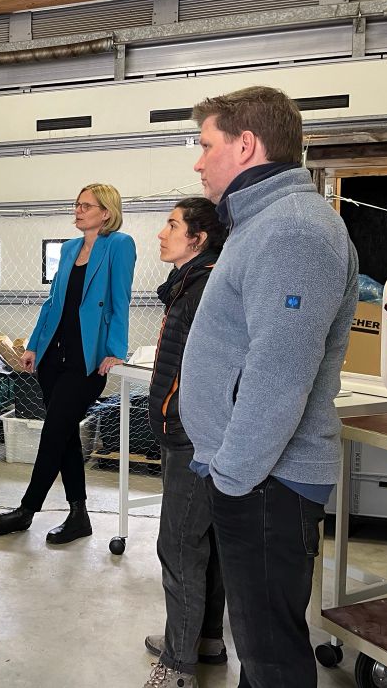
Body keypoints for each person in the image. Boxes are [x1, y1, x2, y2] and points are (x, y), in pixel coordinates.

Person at [180, 86, 359, 688]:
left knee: (273, 654)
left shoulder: (293, 232)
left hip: (265, 482)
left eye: (206, 146)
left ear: (247, 144)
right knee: (259, 648)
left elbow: (278, 376)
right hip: (255, 476)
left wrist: (233, 474)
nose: (198, 161)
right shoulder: (265, 224)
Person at [0, 183, 136, 543]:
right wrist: (35, 344)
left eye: (86, 206)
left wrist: (115, 351)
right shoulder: (69, 249)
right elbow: (52, 303)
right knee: (64, 434)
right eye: (77, 204)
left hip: (87, 360)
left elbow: (119, 303)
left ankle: (26, 511)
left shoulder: (119, 245)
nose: (78, 210)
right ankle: (79, 515)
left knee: (53, 432)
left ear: (106, 213)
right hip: (54, 356)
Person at [142, 198, 228, 688]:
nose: (161, 233)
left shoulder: (203, 288)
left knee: (178, 547)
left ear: (198, 238)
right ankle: (205, 641)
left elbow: (203, 371)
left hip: (191, 436)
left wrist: (174, 418)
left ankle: (177, 667)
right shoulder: (190, 283)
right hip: (193, 433)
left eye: (172, 224)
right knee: (204, 543)